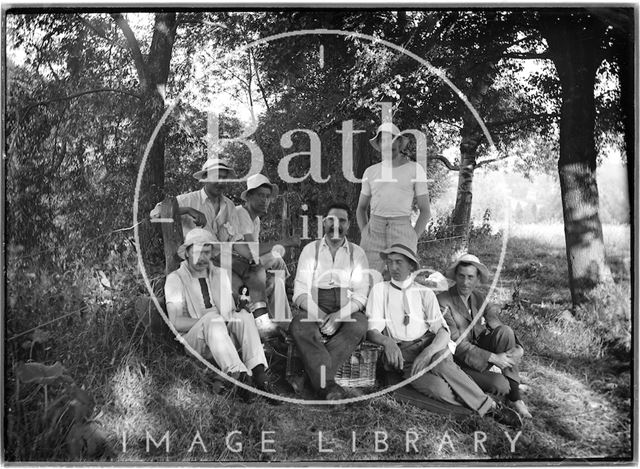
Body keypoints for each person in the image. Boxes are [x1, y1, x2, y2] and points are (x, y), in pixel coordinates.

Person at [365, 244, 523, 428]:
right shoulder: (380, 290)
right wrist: (387, 342)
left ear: (411, 266)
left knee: (440, 360)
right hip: (405, 355)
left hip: (431, 346)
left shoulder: (424, 293)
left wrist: (428, 352)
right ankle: (476, 405)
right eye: (390, 263)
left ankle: (491, 408)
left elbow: (442, 331)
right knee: (437, 389)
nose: (393, 268)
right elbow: (372, 331)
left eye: (399, 262)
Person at [150, 158, 278, 339]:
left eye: (225, 178)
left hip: (225, 258)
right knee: (238, 284)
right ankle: (248, 330)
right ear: (204, 178)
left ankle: (261, 324)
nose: (221, 182)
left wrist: (250, 256)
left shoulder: (229, 206)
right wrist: (187, 210)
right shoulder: (189, 199)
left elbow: (236, 240)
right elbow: (154, 214)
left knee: (257, 269)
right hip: (200, 259)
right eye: (217, 177)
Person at [163, 228, 274, 394]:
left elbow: (228, 312)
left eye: (207, 253)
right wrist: (214, 320)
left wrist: (238, 309)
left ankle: (259, 374)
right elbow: (176, 322)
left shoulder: (220, 274)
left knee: (243, 315)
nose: (203, 258)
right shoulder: (175, 279)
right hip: (197, 340)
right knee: (212, 319)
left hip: (223, 338)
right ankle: (240, 377)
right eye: (197, 253)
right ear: (187, 253)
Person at [289, 202, 370, 400]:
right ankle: (328, 385)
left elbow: (360, 294)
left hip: (345, 307)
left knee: (359, 326)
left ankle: (309, 377)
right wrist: (320, 315)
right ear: (324, 222)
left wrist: (339, 316)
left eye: (342, 220)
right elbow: (299, 290)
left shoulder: (357, 253)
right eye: (332, 220)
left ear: (349, 225)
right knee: (299, 326)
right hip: (315, 303)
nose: (336, 225)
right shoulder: (311, 250)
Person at [438, 254, 532, 419]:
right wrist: (494, 358)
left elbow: (496, 324)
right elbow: (457, 344)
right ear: (455, 276)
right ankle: (509, 387)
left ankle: (515, 399)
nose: (465, 282)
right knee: (501, 385)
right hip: (458, 362)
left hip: (480, 355)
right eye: (461, 276)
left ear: (477, 279)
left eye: (470, 277)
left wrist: (519, 348)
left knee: (505, 332)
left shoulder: (478, 298)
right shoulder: (443, 301)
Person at [356, 123, 431, 276]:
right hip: (374, 230)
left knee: (401, 283)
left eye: (392, 139)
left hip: (402, 230)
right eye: (383, 141)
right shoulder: (370, 172)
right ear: (379, 144)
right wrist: (365, 232)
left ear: (399, 142)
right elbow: (361, 208)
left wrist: (413, 236)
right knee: (367, 281)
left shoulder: (415, 169)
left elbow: (425, 210)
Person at [236, 173, 300, 325]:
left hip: (249, 267)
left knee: (276, 281)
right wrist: (284, 242)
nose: (265, 200)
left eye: (267, 196)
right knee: (276, 257)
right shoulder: (241, 213)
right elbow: (253, 252)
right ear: (249, 197)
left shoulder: (255, 219)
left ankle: (284, 326)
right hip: (236, 267)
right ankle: (293, 289)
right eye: (260, 195)